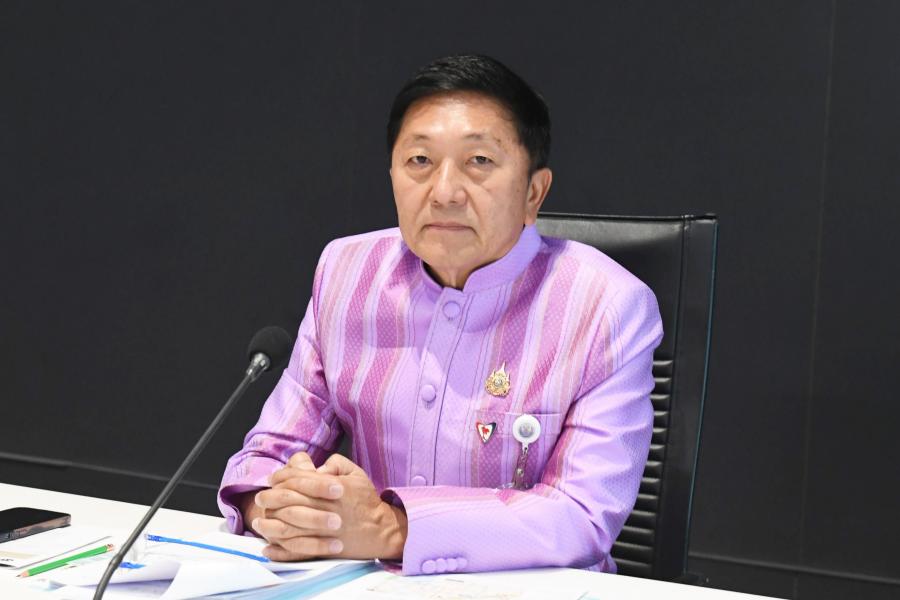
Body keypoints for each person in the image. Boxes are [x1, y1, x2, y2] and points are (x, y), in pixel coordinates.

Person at [218, 54, 663, 575]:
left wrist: (393, 528)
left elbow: (581, 516)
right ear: (392, 176)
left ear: (534, 192)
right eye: (420, 161)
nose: (444, 192)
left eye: (479, 161)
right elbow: (270, 455)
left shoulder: (607, 307)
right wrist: (276, 507)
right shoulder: (346, 274)